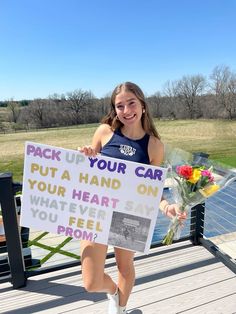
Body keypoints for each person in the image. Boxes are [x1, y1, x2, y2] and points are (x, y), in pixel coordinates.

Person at [79, 82, 186, 314]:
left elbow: (153, 190)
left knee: (124, 267)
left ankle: (121, 309)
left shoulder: (155, 146)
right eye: (120, 105)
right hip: (96, 210)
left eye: (131, 103)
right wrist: (87, 154)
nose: (126, 110)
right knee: (91, 282)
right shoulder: (104, 131)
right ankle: (115, 293)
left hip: (131, 214)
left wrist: (166, 206)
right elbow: (88, 172)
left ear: (143, 105)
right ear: (114, 109)